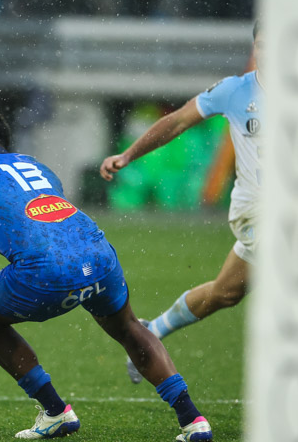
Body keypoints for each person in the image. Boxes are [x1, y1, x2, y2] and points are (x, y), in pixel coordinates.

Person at [0, 108, 213, 442]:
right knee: (128, 327)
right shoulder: (36, 164)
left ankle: (55, 411)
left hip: (47, 270)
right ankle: (192, 418)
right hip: (99, 254)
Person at [100, 22, 262, 383]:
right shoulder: (236, 91)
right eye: (262, 46)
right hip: (259, 214)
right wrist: (128, 155)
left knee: (225, 293)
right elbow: (176, 122)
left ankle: (151, 331)